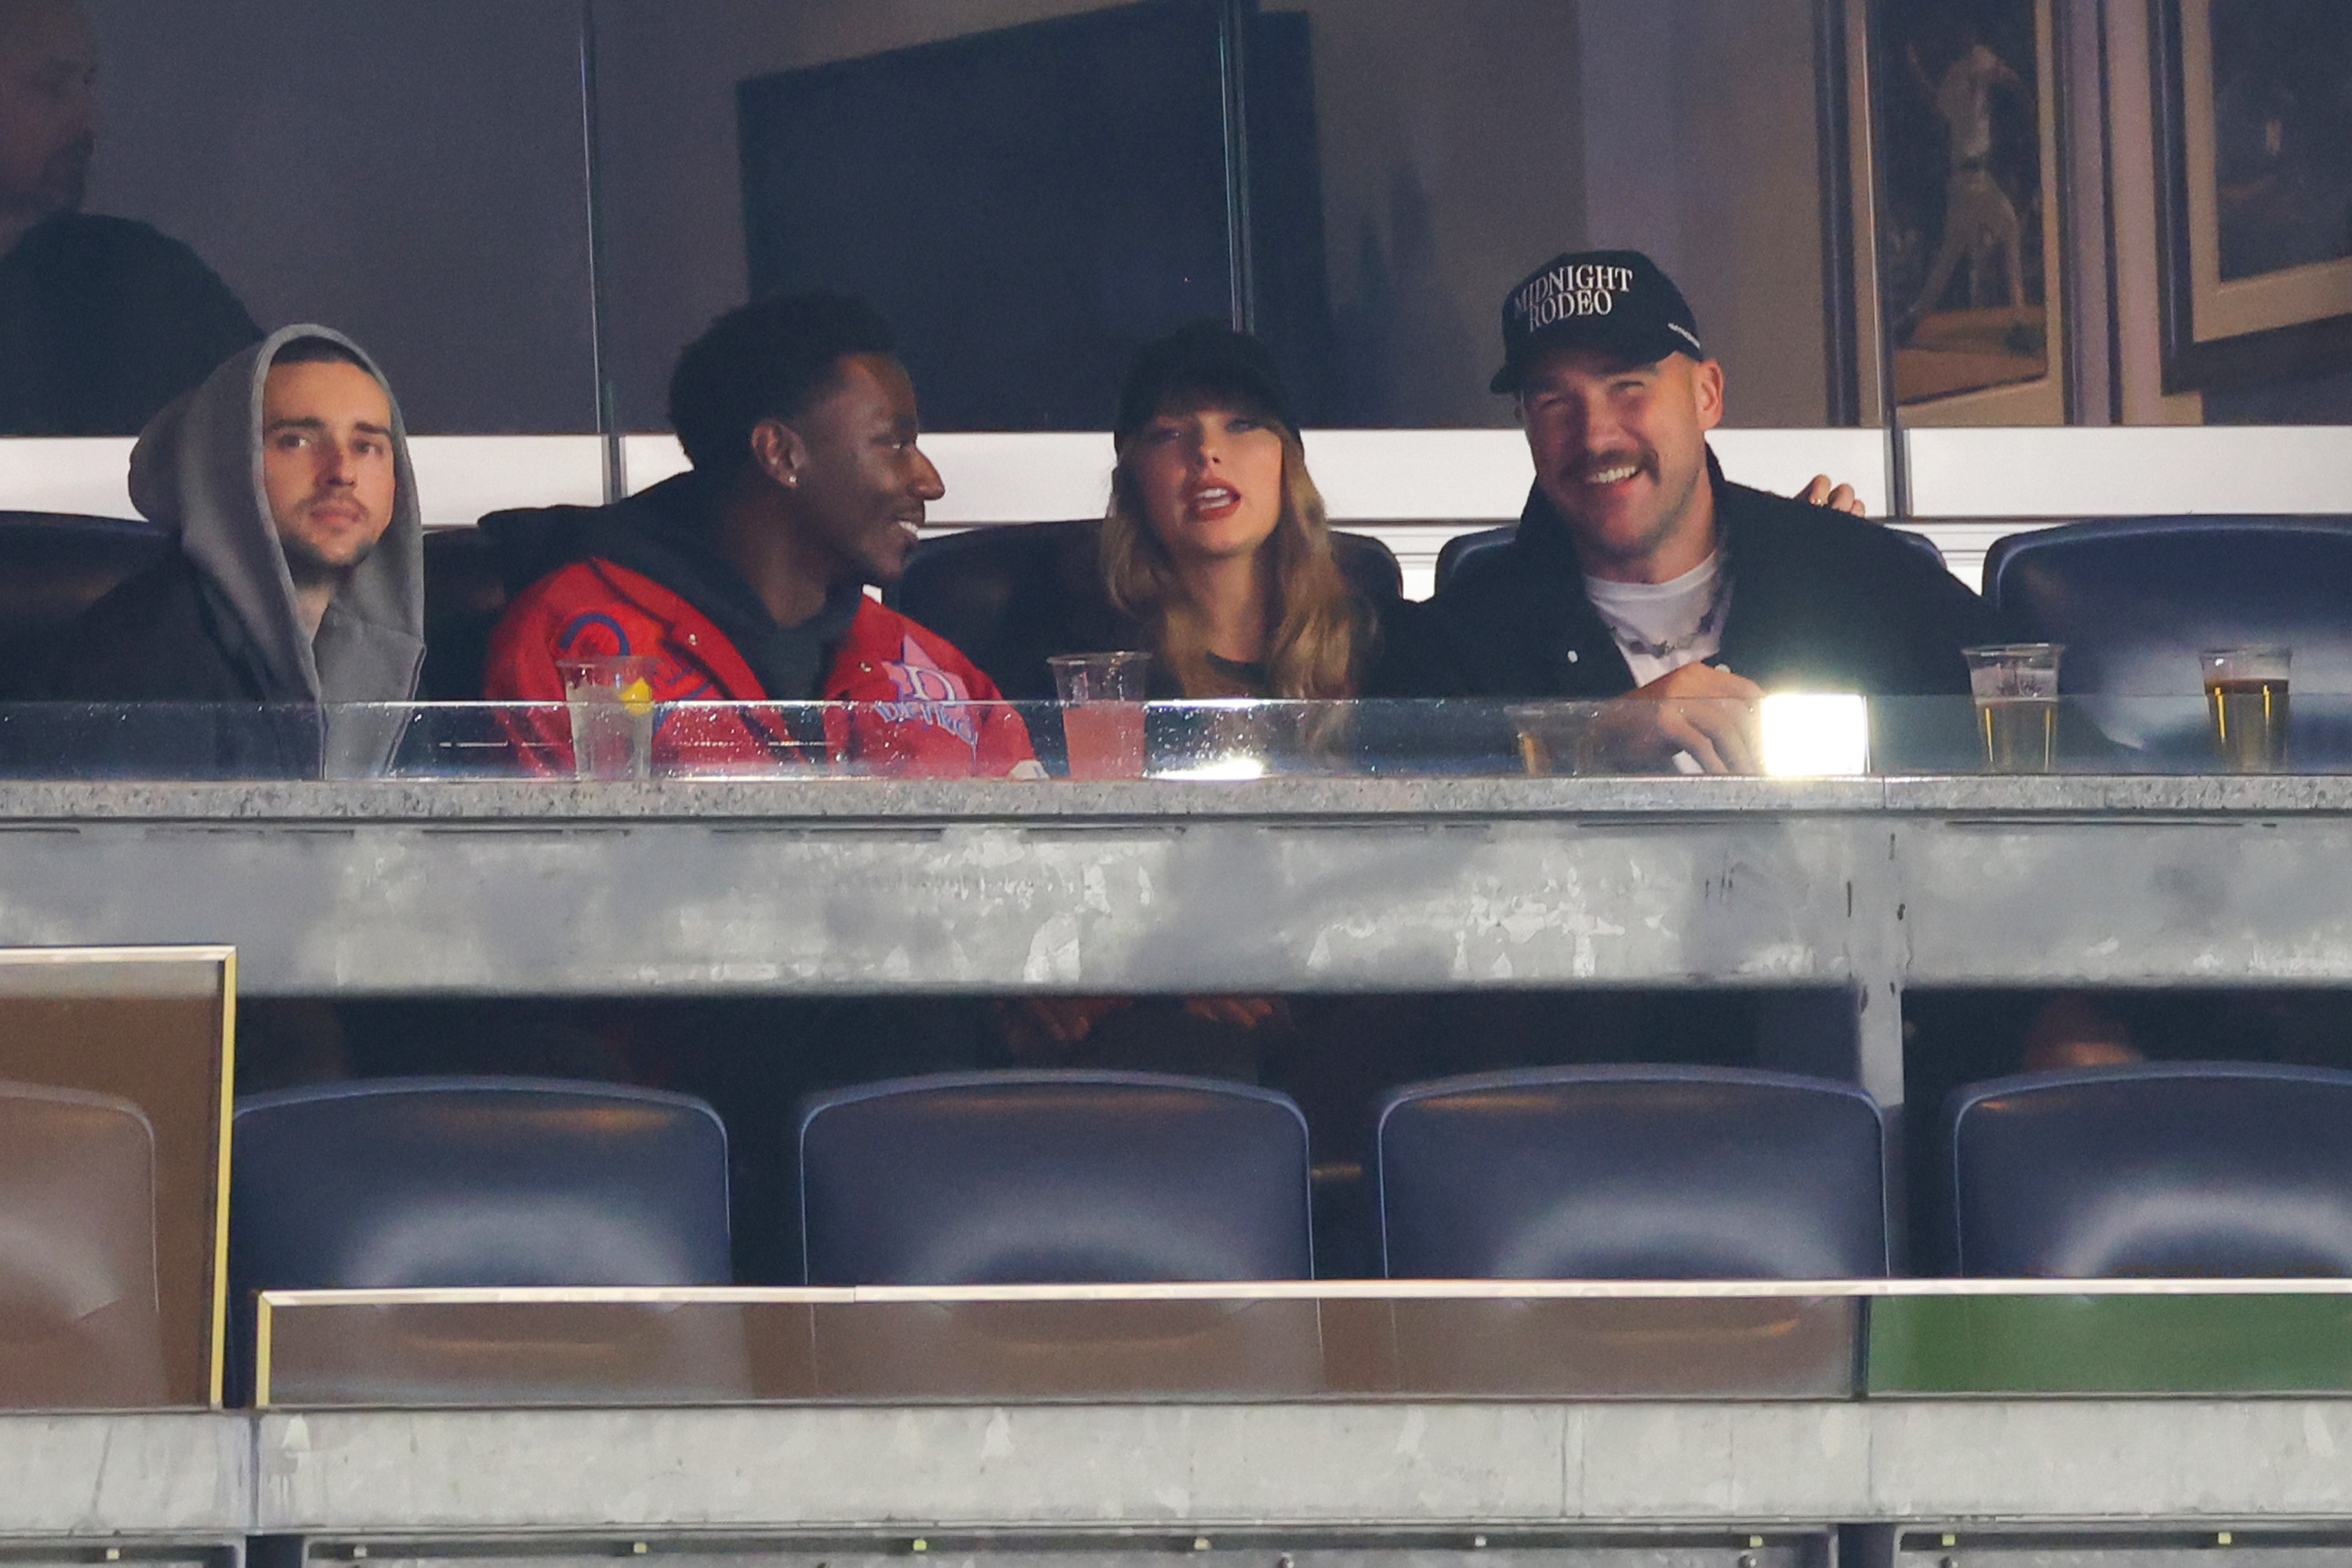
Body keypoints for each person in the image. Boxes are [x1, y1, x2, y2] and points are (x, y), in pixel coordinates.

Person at [1432, 249, 1999, 774]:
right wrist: (1595, 738)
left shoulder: (1858, 582)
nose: (1595, 435)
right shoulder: (1463, 640)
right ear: (1525, 423)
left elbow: (2038, 767)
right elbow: (1414, 836)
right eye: (1553, 401)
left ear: (1707, 395)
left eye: (1628, 385)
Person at [481, 291, 1034, 779]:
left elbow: (1036, 870)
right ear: (780, 453)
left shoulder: (931, 669)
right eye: (893, 443)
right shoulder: (577, 640)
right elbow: (543, 877)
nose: (929, 481)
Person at [983, 321, 1457, 704]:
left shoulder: (1387, 646)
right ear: (1133, 476)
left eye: (1241, 425)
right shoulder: (1073, 657)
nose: (1207, 451)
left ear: (1286, 462)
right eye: (1169, 433)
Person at [30, 325, 423, 710]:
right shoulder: (134, 670)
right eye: (296, 441)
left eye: (367, 447)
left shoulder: (406, 670)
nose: (342, 472)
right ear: (223, 467)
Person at [0, 0, 260, 434]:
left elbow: (285, 419)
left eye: (88, 84)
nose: (90, 121)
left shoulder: (142, 281)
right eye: (51, 87)